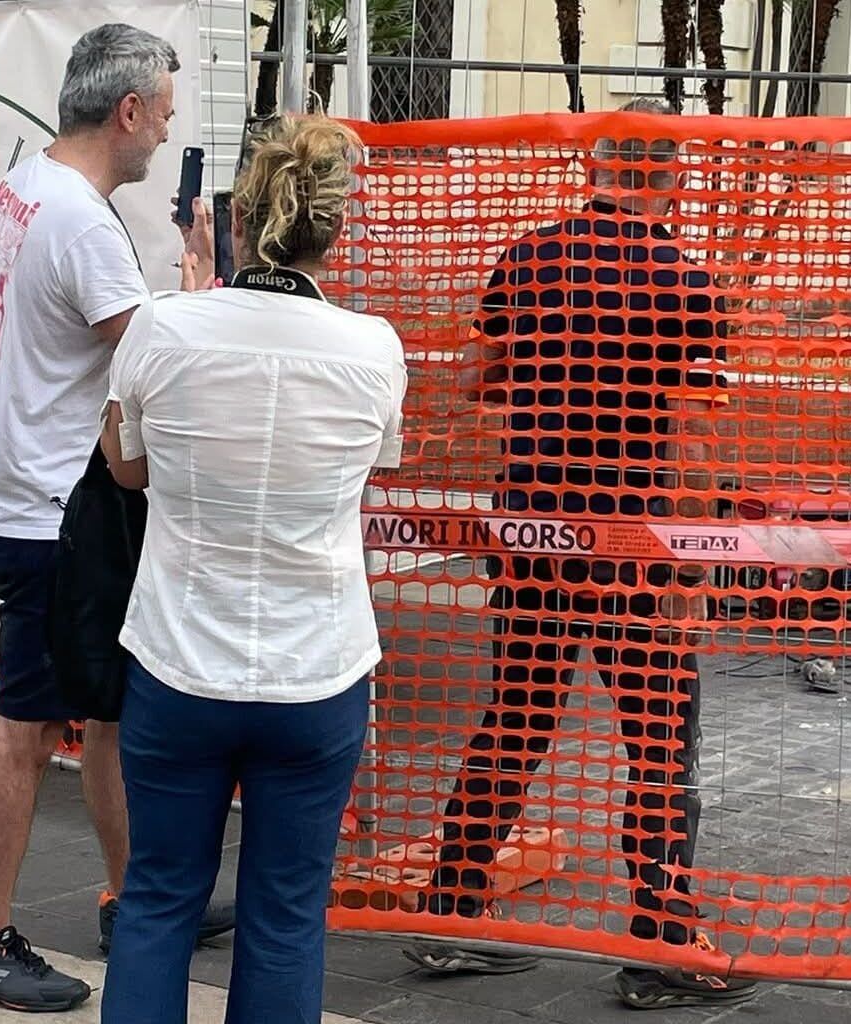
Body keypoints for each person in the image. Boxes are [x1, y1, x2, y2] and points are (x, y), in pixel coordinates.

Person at [401, 98, 758, 1011]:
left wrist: (552, 365)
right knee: (658, 739)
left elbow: (481, 378)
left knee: (517, 717)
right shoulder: (687, 279)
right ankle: (666, 941)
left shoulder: (526, 256)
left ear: (593, 168)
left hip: (533, 526)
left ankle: (450, 910)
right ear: (668, 176)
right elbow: (699, 427)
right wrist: (697, 554)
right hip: (635, 538)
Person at [0, 24, 228, 1013]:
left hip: (36, 496)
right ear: (129, 112)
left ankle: (138, 896)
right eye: (166, 112)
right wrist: (200, 293)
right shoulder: (80, 218)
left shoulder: (25, 184)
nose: (168, 131)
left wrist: (26, 372)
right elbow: (155, 357)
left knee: (104, 713)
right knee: (24, 729)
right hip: (52, 513)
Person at [99, 113, 406, 1024]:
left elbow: (125, 465)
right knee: (286, 915)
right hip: (317, 670)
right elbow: (369, 468)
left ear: (235, 217)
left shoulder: (163, 330)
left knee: (157, 897)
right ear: (335, 228)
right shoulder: (373, 348)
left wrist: (189, 311)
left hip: (179, 659)